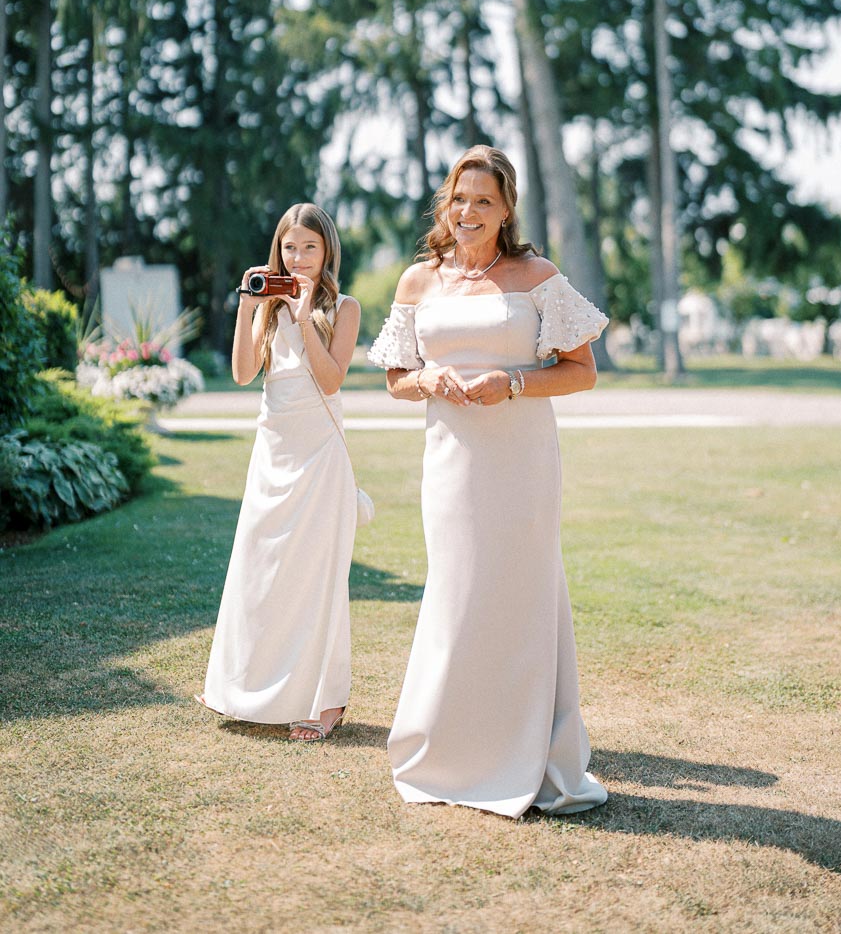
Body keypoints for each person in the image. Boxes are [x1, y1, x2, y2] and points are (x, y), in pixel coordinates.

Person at [368, 145, 609, 818]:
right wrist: (428, 380)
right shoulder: (420, 282)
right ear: (445, 206)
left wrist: (514, 382)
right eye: (459, 198)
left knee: (520, 593)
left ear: (506, 210)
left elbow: (582, 370)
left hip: (521, 460)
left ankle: (531, 753)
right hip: (450, 461)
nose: (468, 211)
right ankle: (449, 752)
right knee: (458, 593)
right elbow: (394, 380)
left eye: (484, 200)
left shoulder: (536, 276)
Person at [197, 203, 361, 742]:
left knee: (317, 577)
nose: (299, 257)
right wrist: (250, 306)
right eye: (290, 248)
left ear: (327, 251)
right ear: (278, 251)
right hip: (273, 453)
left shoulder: (346, 308)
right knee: (260, 569)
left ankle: (324, 703)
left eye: (309, 248)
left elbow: (331, 379)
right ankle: (247, 688)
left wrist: (306, 310)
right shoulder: (267, 305)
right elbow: (245, 373)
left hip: (320, 456)